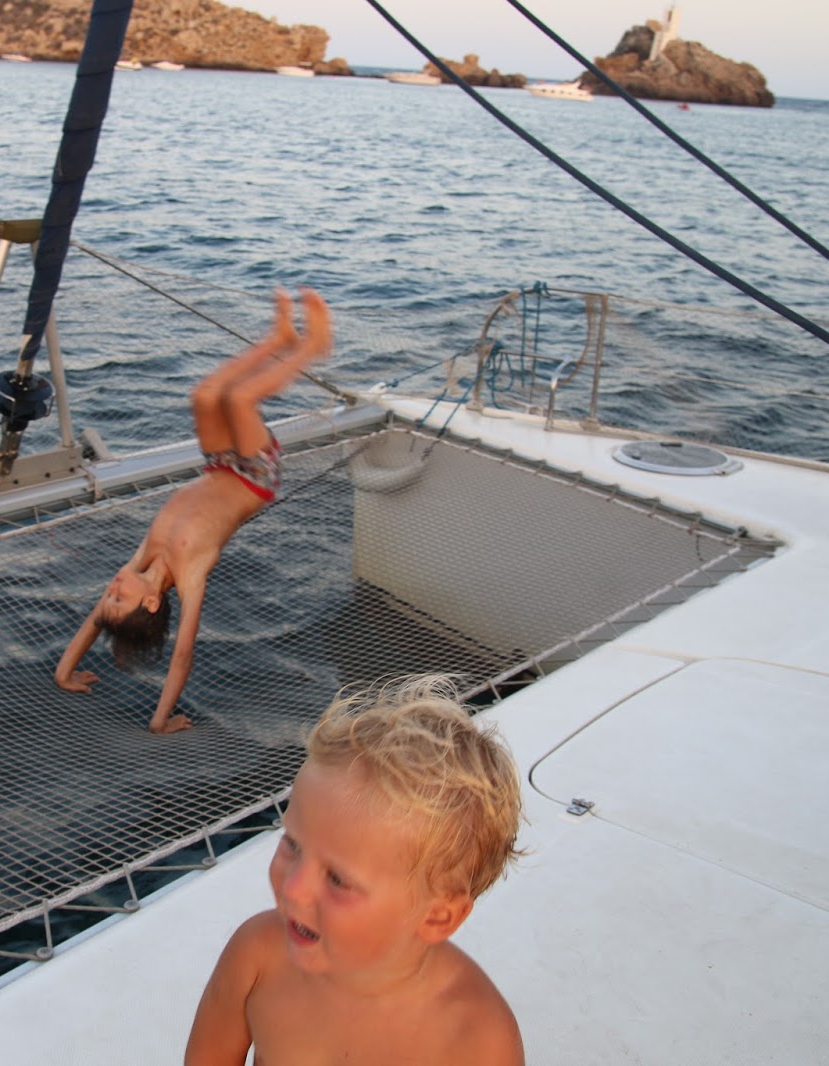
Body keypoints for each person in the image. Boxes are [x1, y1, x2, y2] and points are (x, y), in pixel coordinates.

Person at [184, 674, 526, 1065]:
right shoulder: (258, 956)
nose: (294, 888)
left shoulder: (477, 1040)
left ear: (437, 916)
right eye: (293, 844)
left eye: (337, 879)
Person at [53, 288, 332, 734]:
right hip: (254, 476)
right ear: (151, 601)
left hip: (219, 464)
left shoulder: (143, 560)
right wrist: (159, 720)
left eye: (108, 596)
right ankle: (312, 346)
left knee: (204, 395)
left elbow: (95, 621)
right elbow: (183, 653)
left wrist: (63, 671)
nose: (111, 589)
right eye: (119, 597)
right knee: (239, 399)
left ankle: (279, 339)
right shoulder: (189, 574)